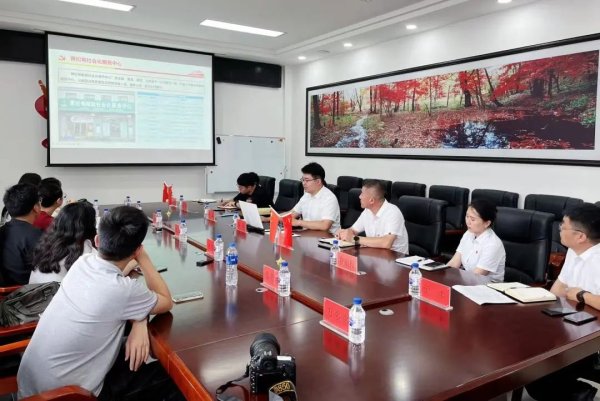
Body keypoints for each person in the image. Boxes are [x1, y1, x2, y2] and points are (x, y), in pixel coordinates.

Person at [18, 206, 178, 401]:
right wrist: (143, 258)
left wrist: (139, 319)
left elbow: (121, 295)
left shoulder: (83, 262)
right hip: (69, 396)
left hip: (30, 387)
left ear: (97, 240)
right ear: (136, 249)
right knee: (170, 376)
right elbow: (165, 301)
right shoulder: (123, 290)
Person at [525, 203, 600, 401]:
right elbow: (560, 286)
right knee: (527, 356)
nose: (559, 229)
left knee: (540, 374)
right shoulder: (574, 251)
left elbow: (575, 293)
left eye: (563, 226)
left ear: (580, 236)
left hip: (591, 339)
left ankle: (581, 393)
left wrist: (582, 295)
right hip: (571, 327)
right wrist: (541, 308)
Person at [29, 201, 96, 284]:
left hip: (35, 290)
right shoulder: (86, 249)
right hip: (56, 290)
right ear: (90, 225)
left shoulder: (48, 242)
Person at [336, 179, 409, 253]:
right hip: (375, 254)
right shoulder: (367, 211)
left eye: (362, 194)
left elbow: (386, 243)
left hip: (395, 257)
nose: (359, 197)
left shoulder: (393, 212)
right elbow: (353, 230)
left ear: (371, 200)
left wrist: (354, 239)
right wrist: (345, 233)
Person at [446, 198, 505, 282]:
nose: (468, 222)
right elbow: (454, 262)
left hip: (486, 286)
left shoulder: (493, 244)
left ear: (487, 223)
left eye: (473, 219)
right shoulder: (468, 234)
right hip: (467, 281)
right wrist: (442, 273)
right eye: (467, 216)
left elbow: (477, 276)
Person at [0, 183, 42, 285]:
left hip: (5, 291)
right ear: (36, 208)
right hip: (26, 291)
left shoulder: (2, 231)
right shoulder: (38, 235)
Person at [291, 162, 340, 233]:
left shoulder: (329, 198)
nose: (303, 183)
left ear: (318, 181)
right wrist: (275, 217)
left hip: (327, 238)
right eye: (303, 180)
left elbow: (325, 225)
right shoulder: (306, 195)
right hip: (307, 235)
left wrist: (299, 222)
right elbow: (292, 214)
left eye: (307, 180)